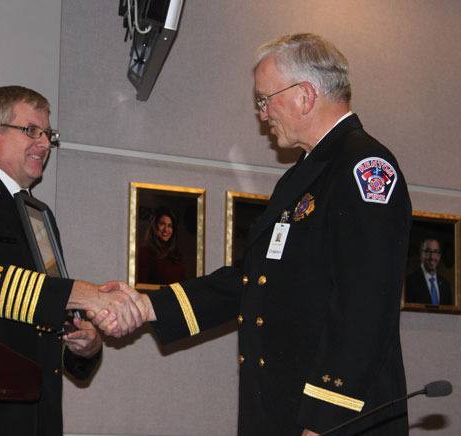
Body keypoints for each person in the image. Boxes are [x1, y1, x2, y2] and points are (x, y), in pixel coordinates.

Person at [94, 34, 412, 435]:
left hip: (335, 421)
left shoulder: (363, 166)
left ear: (305, 95)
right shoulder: (302, 176)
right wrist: (149, 306)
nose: (262, 115)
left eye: (265, 99)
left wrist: (324, 420)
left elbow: (364, 307)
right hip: (284, 412)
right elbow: (250, 279)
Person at [0, 86, 143, 436]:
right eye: (31, 131)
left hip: (39, 415)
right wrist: (84, 294)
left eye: (47, 134)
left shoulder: (38, 214)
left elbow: (45, 315)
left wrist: (84, 344)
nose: (44, 144)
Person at [137, 207, 186, 284]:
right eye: (162, 224)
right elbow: (141, 285)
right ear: (154, 226)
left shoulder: (177, 255)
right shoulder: (145, 252)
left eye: (170, 226)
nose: (166, 229)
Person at [405, 238, 453, 305]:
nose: (432, 257)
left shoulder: (446, 285)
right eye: (427, 251)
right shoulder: (409, 282)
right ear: (421, 254)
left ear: (439, 256)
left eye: (435, 252)